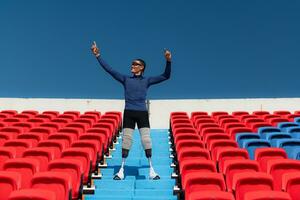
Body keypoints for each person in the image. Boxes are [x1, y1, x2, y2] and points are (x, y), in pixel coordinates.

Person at [91, 41, 171, 180]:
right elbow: (110, 70)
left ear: (141, 67)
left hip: (142, 113)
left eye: (135, 64)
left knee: (146, 140)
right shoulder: (125, 79)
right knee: (126, 140)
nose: (132, 66)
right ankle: (121, 170)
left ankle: (152, 170)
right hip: (129, 112)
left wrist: (168, 61)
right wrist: (98, 56)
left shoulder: (147, 81)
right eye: (132, 64)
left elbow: (165, 76)